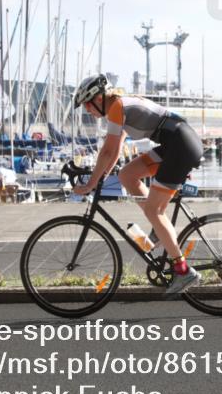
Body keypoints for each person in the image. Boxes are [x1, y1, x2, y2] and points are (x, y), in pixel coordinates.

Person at [71, 74, 203, 294]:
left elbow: (108, 151)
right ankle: (159, 231)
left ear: (98, 98)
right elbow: (113, 149)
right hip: (175, 144)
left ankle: (183, 270)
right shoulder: (118, 107)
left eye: (86, 104)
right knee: (127, 175)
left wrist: (90, 183)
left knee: (154, 210)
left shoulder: (117, 106)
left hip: (180, 146)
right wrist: (103, 174)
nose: (86, 110)